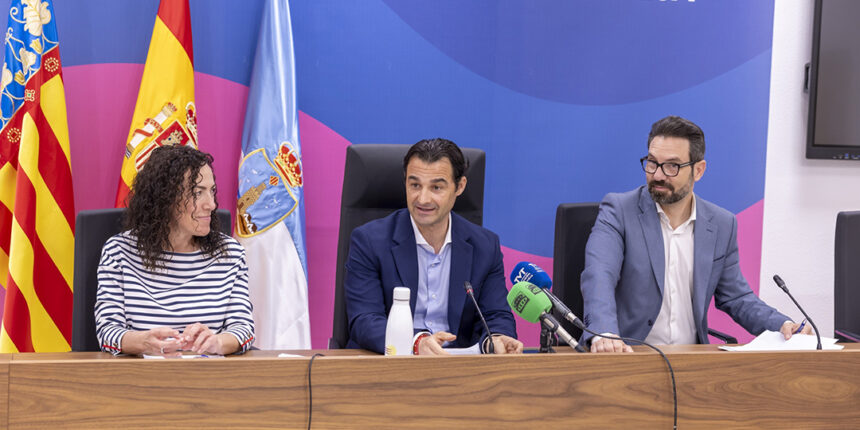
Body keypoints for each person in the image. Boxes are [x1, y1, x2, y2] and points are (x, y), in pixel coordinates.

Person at [581, 115, 811, 353]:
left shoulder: (722, 224)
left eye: (671, 166)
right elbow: (599, 275)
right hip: (627, 356)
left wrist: (783, 325)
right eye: (652, 163)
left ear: (698, 170)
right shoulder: (618, 210)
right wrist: (604, 333)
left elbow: (736, 297)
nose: (658, 175)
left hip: (692, 362)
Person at [345, 138, 522, 355]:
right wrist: (417, 343)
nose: (423, 198)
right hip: (391, 366)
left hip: (460, 369)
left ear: (460, 186)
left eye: (436, 187)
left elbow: (496, 315)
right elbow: (365, 320)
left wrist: (494, 340)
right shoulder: (369, 241)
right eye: (415, 185)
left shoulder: (485, 246)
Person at [95, 145, 255, 356]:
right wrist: (143, 342)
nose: (212, 204)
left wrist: (218, 342)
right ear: (165, 199)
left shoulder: (230, 253)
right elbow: (107, 332)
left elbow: (243, 329)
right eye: (198, 192)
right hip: (139, 380)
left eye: (212, 191)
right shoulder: (119, 251)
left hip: (210, 380)